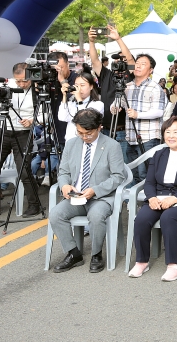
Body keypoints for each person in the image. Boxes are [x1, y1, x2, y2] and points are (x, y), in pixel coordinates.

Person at [49, 109, 126, 273]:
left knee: (96, 215)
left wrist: (95, 190)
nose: (84, 137)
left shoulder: (112, 146)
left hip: (100, 197)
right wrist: (64, 185)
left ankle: (97, 254)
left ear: (99, 127)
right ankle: (73, 253)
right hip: (76, 197)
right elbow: (63, 172)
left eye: (88, 133)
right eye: (80, 133)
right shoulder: (71, 144)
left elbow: (119, 176)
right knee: (56, 214)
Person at [128, 117, 177, 281]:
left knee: (168, 217)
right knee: (141, 218)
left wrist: (175, 199)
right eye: (167, 132)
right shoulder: (159, 154)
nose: (171, 135)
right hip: (159, 196)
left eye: (175, 132)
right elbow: (149, 182)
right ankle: (141, 261)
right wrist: (151, 198)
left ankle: (174, 264)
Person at [0, 62, 45, 219]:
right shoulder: (6, 84)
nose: (21, 84)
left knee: (24, 170)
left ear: (30, 76)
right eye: (18, 81)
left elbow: (46, 116)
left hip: (23, 133)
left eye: (25, 80)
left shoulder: (37, 88)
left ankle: (34, 205)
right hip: (3, 131)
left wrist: (32, 121)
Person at [111, 54, 167, 184]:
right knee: (131, 175)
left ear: (151, 70)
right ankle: (134, 203)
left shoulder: (155, 87)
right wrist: (114, 107)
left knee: (145, 174)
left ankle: (148, 202)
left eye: (143, 64)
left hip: (148, 138)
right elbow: (118, 104)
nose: (138, 65)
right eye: (137, 63)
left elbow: (159, 111)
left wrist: (138, 115)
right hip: (130, 137)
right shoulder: (127, 86)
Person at [58, 70, 106, 142]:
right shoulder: (72, 103)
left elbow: (86, 120)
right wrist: (64, 96)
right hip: (70, 142)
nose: (79, 88)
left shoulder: (98, 104)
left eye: (82, 85)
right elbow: (62, 117)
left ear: (91, 87)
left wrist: (79, 99)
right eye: (77, 85)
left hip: (88, 142)